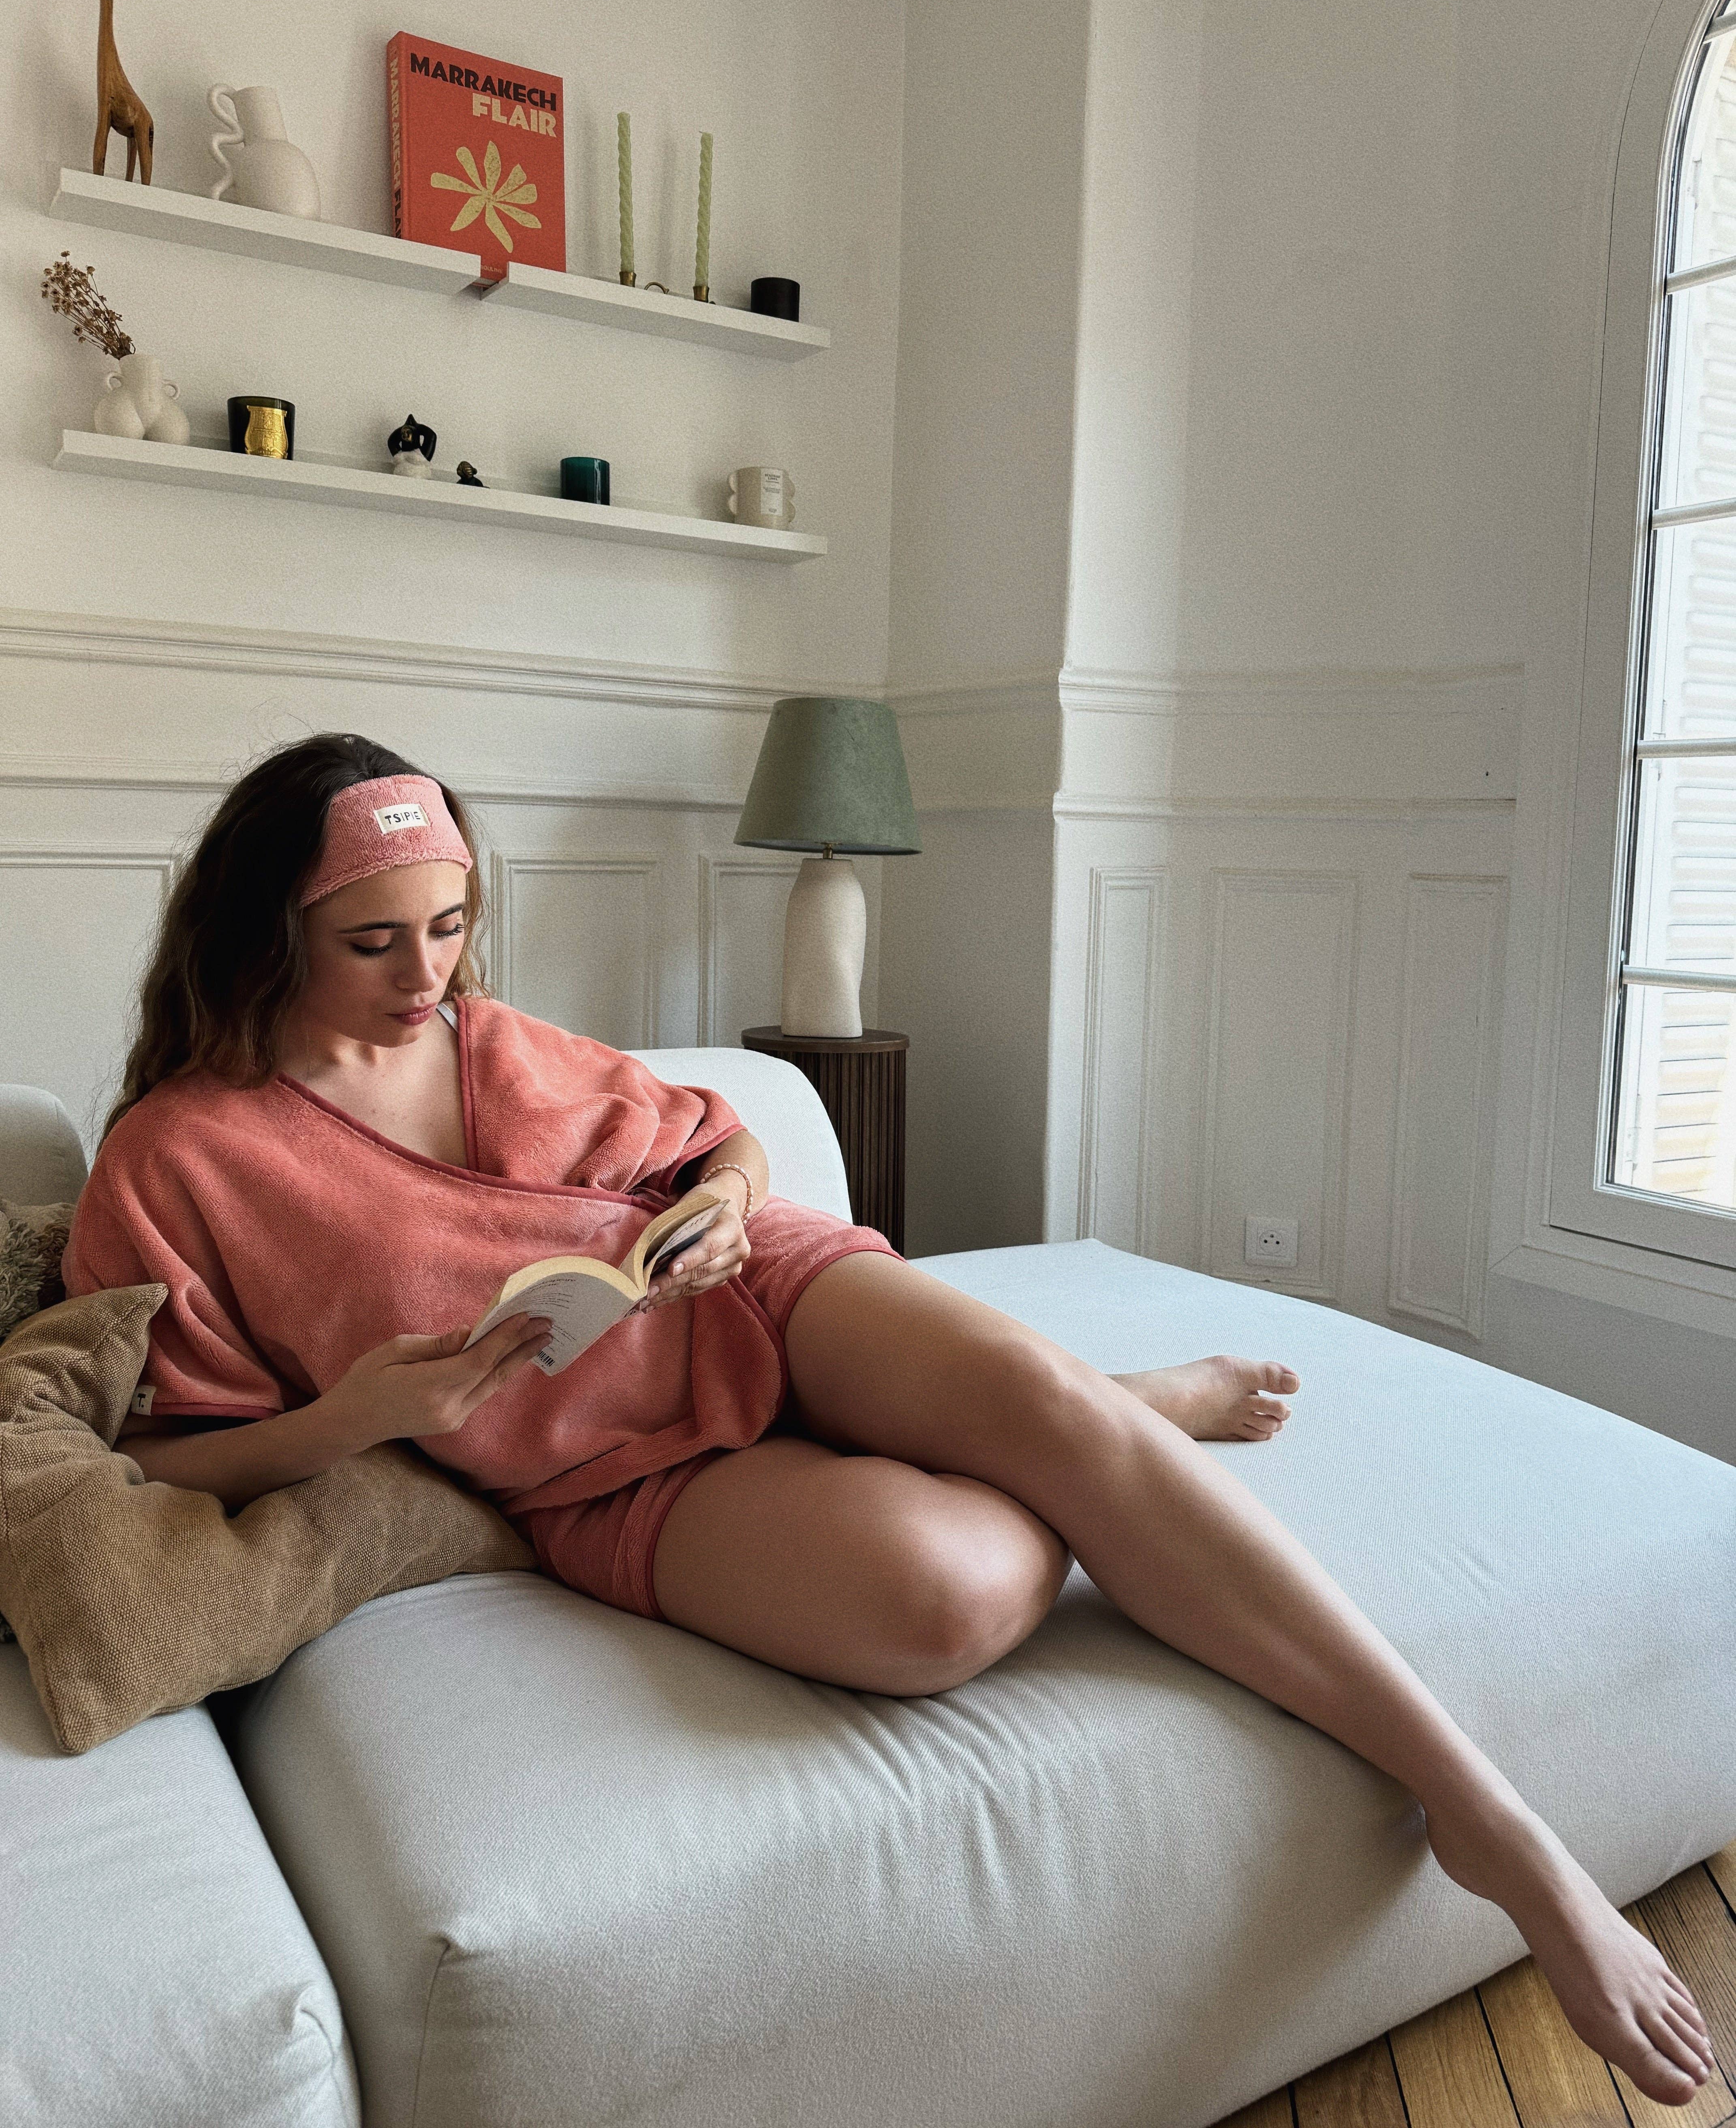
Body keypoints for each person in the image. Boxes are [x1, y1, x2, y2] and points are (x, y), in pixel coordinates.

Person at [64, 732, 1712, 2105]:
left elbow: (723, 1141)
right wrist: (351, 1417)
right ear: (268, 931)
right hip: (605, 1473)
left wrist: (725, 1204)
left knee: (1032, 1404)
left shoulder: (494, 1039)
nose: (429, 976)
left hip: (759, 1297)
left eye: (450, 927)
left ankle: (1497, 1827)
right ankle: (1107, 1420)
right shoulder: (181, 1157)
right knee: (947, 1599)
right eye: (376, 942)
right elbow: (150, 1450)